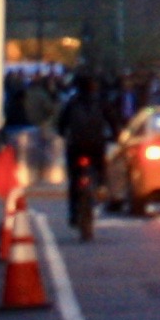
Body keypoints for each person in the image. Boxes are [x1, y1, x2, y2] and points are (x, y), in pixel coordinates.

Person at [59, 79, 110, 240]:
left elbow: (61, 125)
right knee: (101, 168)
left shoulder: (72, 103)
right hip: (96, 146)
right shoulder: (102, 102)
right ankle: (101, 187)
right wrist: (114, 135)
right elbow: (114, 122)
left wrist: (64, 135)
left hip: (75, 146)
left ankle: (74, 213)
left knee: (74, 179)